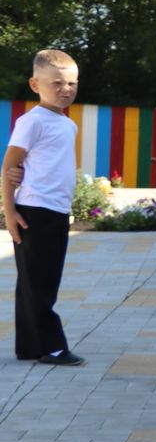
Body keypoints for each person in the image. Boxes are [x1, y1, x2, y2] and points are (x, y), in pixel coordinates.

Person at [6, 49, 84, 367]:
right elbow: (10, 165)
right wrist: (9, 213)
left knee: (33, 281)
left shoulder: (67, 124)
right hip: (35, 211)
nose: (66, 89)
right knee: (41, 282)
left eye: (72, 82)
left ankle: (28, 346)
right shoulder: (32, 121)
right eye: (57, 82)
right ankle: (50, 346)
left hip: (55, 210)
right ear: (35, 84)